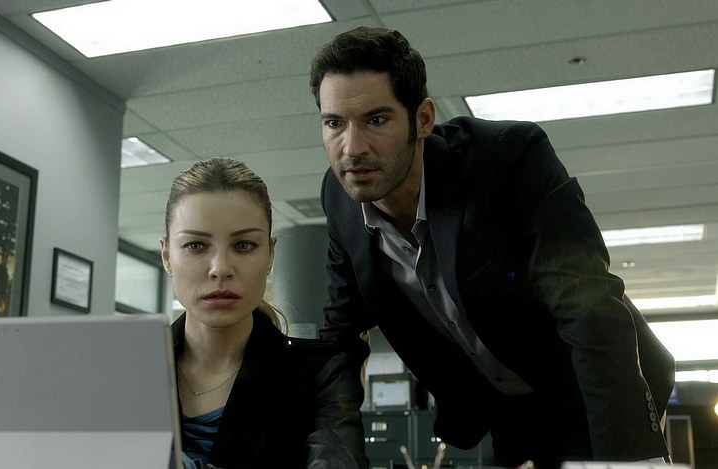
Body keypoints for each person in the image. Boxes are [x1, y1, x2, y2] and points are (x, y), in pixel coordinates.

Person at [309, 26, 676, 468]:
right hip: (506, 414)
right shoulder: (339, 200)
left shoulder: (510, 159)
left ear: (423, 119)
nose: (352, 148)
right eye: (334, 123)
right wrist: (334, 458)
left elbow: (587, 307)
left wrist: (628, 461)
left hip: (593, 388)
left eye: (376, 120)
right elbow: (340, 341)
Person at [159, 157, 368, 469]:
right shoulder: (127, 370)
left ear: (270, 255)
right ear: (166, 256)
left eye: (244, 245)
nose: (220, 269)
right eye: (195, 246)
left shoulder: (321, 373)